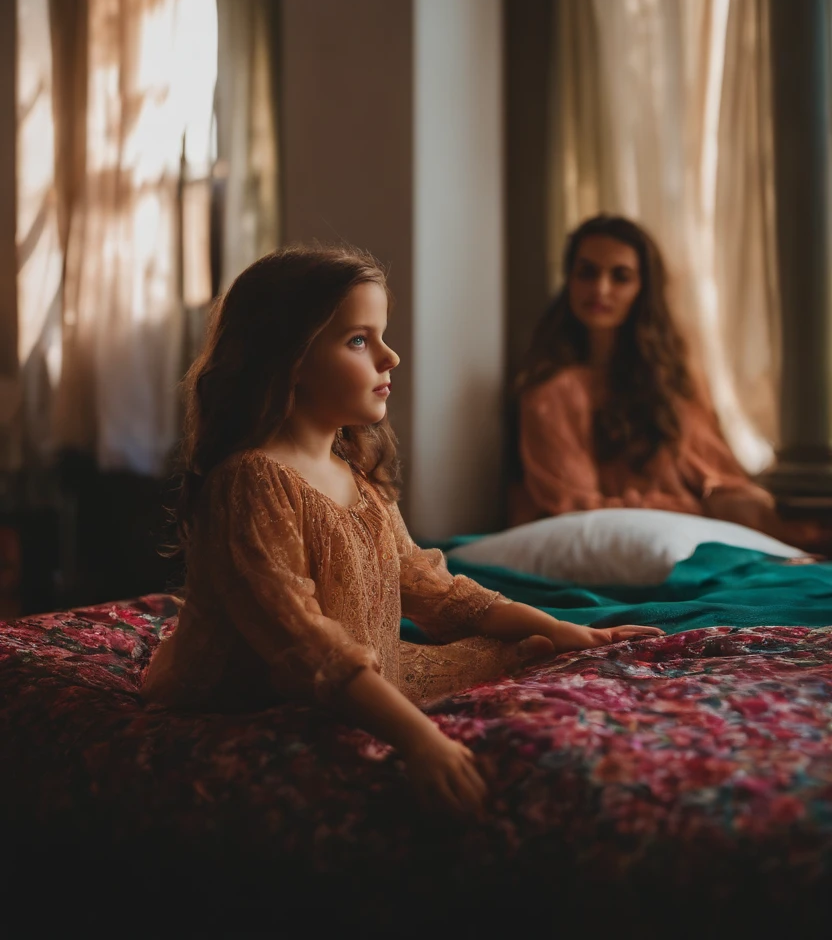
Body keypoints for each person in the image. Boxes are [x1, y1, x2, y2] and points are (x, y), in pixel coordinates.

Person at [142, 245, 660, 817]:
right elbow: (305, 644)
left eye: (380, 335)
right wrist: (419, 738)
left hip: (363, 666)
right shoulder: (251, 482)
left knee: (528, 648)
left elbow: (432, 590)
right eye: (359, 340)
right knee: (510, 662)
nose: (390, 357)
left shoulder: (355, 474)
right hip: (257, 691)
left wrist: (561, 628)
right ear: (288, 358)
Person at [512, 214, 802, 542]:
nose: (600, 289)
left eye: (620, 276)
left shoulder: (675, 380)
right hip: (617, 544)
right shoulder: (551, 395)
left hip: (698, 538)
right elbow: (575, 508)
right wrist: (694, 511)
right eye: (587, 272)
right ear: (570, 281)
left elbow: (719, 477)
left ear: (643, 289)